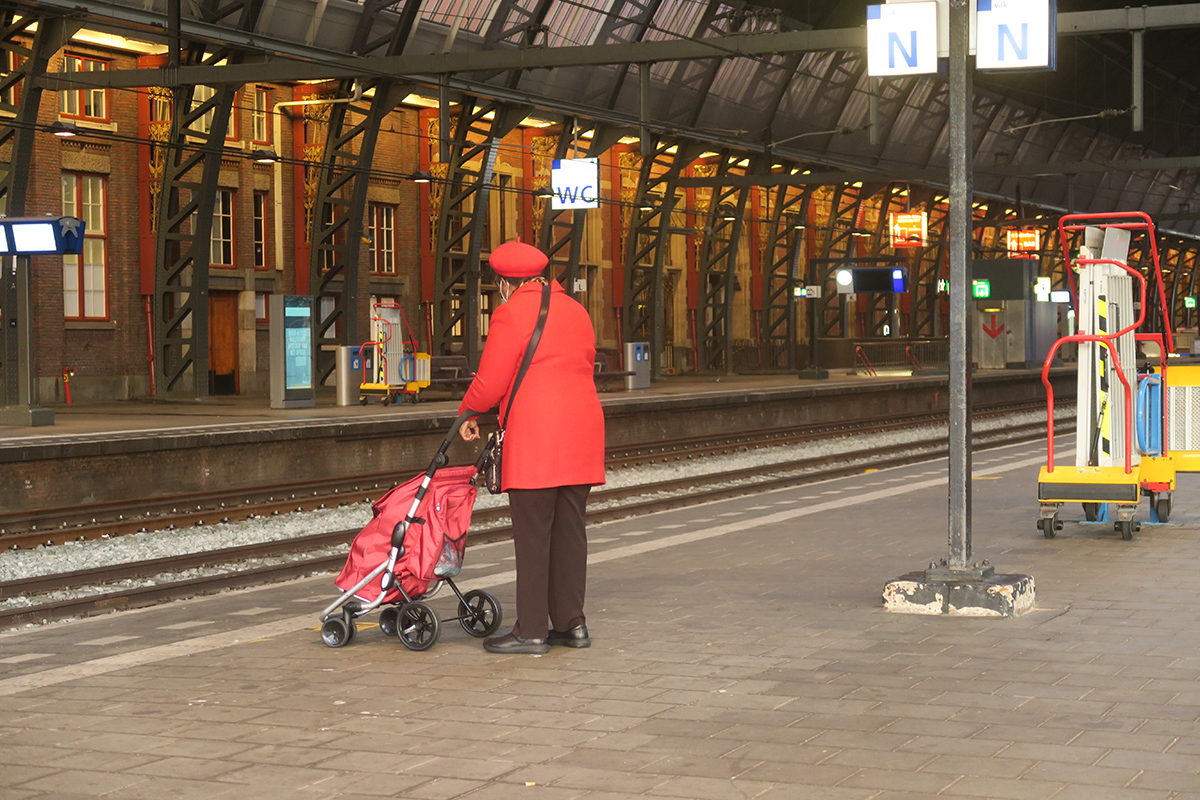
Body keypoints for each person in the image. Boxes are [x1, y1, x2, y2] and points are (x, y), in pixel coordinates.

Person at [459, 240, 606, 654]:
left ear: (505, 282)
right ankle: (572, 625)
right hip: (583, 435)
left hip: (538, 438)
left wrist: (467, 412)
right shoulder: (577, 311)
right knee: (570, 532)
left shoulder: (512, 313)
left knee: (534, 534)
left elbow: (490, 382)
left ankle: (532, 632)